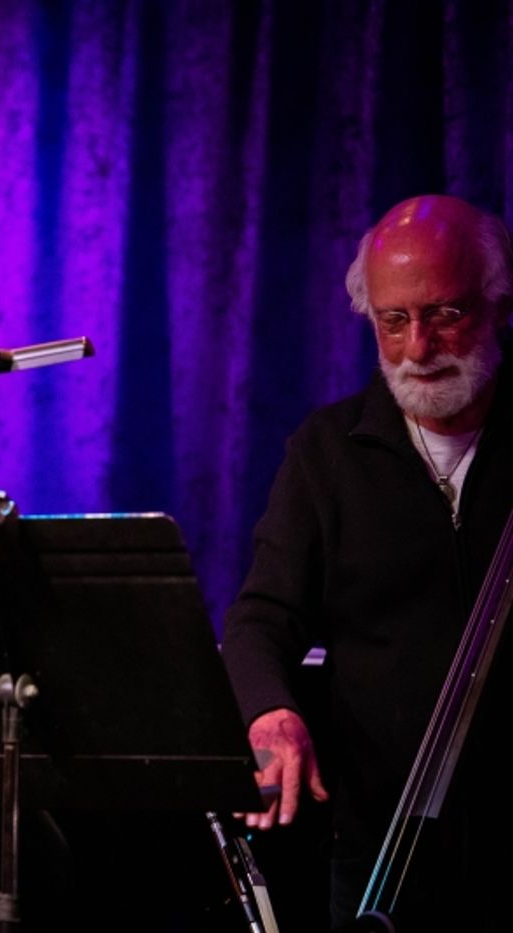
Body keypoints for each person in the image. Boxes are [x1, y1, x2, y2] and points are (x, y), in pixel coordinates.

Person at [222, 194, 511, 930]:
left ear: (497, 301)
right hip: (382, 848)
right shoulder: (328, 452)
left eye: (446, 312)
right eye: (393, 321)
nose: (419, 347)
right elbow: (261, 618)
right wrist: (272, 712)